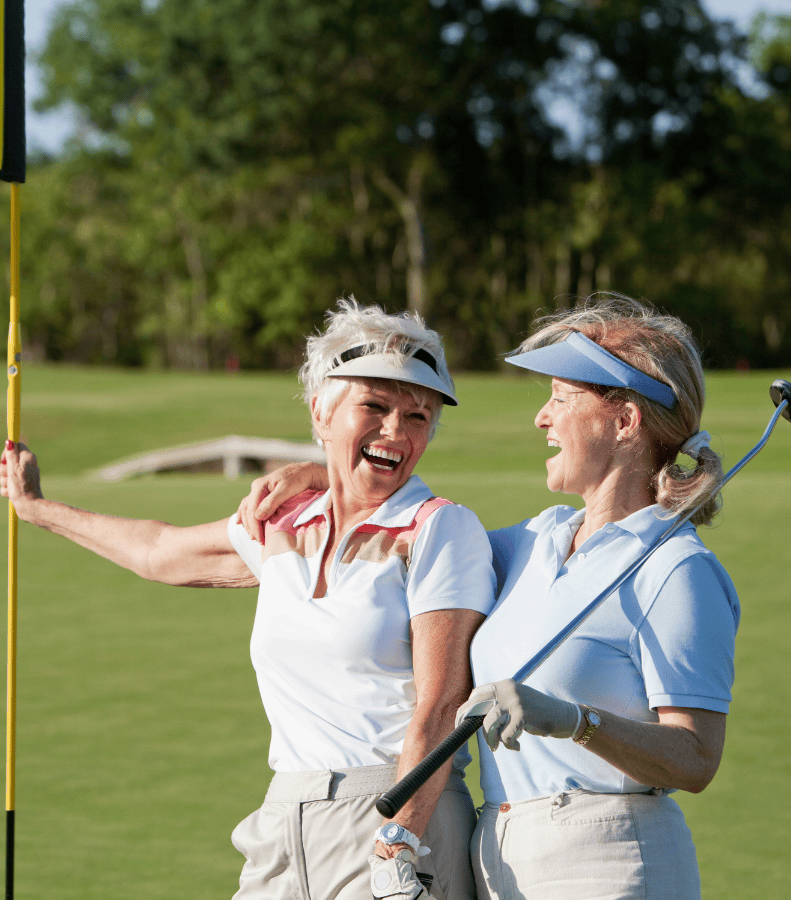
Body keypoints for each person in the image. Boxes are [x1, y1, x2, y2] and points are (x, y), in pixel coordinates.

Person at [236, 296, 740, 900]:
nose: (541, 418)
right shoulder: (534, 541)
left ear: (624, 421)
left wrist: (577, 722)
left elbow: (695, 758)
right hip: (500, 863)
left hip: (611, 860)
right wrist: (327, 475)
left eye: (560, 396)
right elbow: (406, 533)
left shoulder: (678, 569)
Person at [0, 298, 496, 900]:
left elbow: (441, 708)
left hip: (395, 814)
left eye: (418, 417)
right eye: (374, 405)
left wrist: (399, 842)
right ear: (321, 411)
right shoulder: (284, 520)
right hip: (283, 820)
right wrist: (38, 510)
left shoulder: (440, 529)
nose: (396, 430)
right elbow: (161, 551)